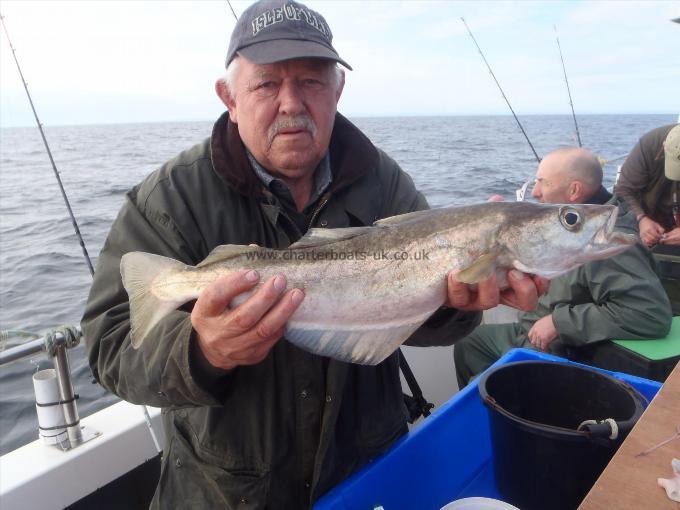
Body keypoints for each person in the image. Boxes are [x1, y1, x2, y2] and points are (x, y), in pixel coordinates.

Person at [81, 1, 546, 508]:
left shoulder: (385, 182)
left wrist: (457, 304)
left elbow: (427, 317)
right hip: (225, 491)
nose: (291, 103)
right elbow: (111, 346)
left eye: (311, 82)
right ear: (229, 97)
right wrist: (202, 351)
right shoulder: (170, 198)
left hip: (368, 471)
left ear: (338, 90)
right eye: (266, 84)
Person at [454, 147, 673, 388]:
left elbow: (650, 313)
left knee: (491, 386)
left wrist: (558, 323)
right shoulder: (565, 231)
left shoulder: (605, 244)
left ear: (574, 191)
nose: (535, 193)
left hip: (558, 345)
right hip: (528, 326)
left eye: (542, 183)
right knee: (469, 343)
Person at [614, 123, 680, 248]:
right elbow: (623, 190)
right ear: (664, 146)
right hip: (651, 213)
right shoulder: (649, 144)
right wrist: (640, 218)